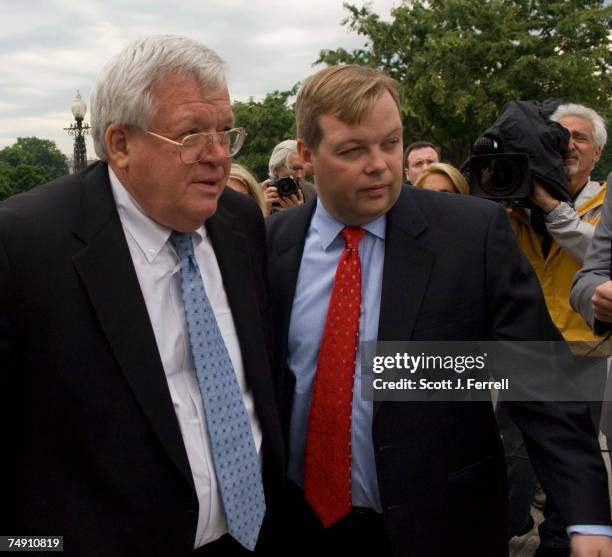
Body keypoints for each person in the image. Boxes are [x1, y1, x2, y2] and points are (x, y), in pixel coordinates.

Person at [266, 64, 612, 557]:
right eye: (352, 150)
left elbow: (538, 377)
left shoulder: (471, 235)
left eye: (390, 143)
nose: (380, 165)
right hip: (299, 524)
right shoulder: (270, 245)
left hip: (443, 525)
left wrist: (588, 517)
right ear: (305, 155)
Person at [0, 35, 283, 557]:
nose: (219, 157)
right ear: (120, 144)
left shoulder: (240, 224)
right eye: (192, 134)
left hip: (254, 536)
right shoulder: (24, 246)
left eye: (226, 132)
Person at [500, 102, 609, 555]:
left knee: (570, 471)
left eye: (579, 137)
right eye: (558, 136)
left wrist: (551, 208)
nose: (567, 145)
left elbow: (599, 256)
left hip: (585, 352)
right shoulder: (511, 200)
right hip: (520, 354)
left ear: (596, 154)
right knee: (510, 466)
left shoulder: (604, 201)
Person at [263, 139, 316, 213]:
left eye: (302, 169)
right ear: (276, 169)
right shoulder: (257, 195)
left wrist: (298, 213)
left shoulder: (313, 194)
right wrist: (263, 212)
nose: (300, 175)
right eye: (295, 169)